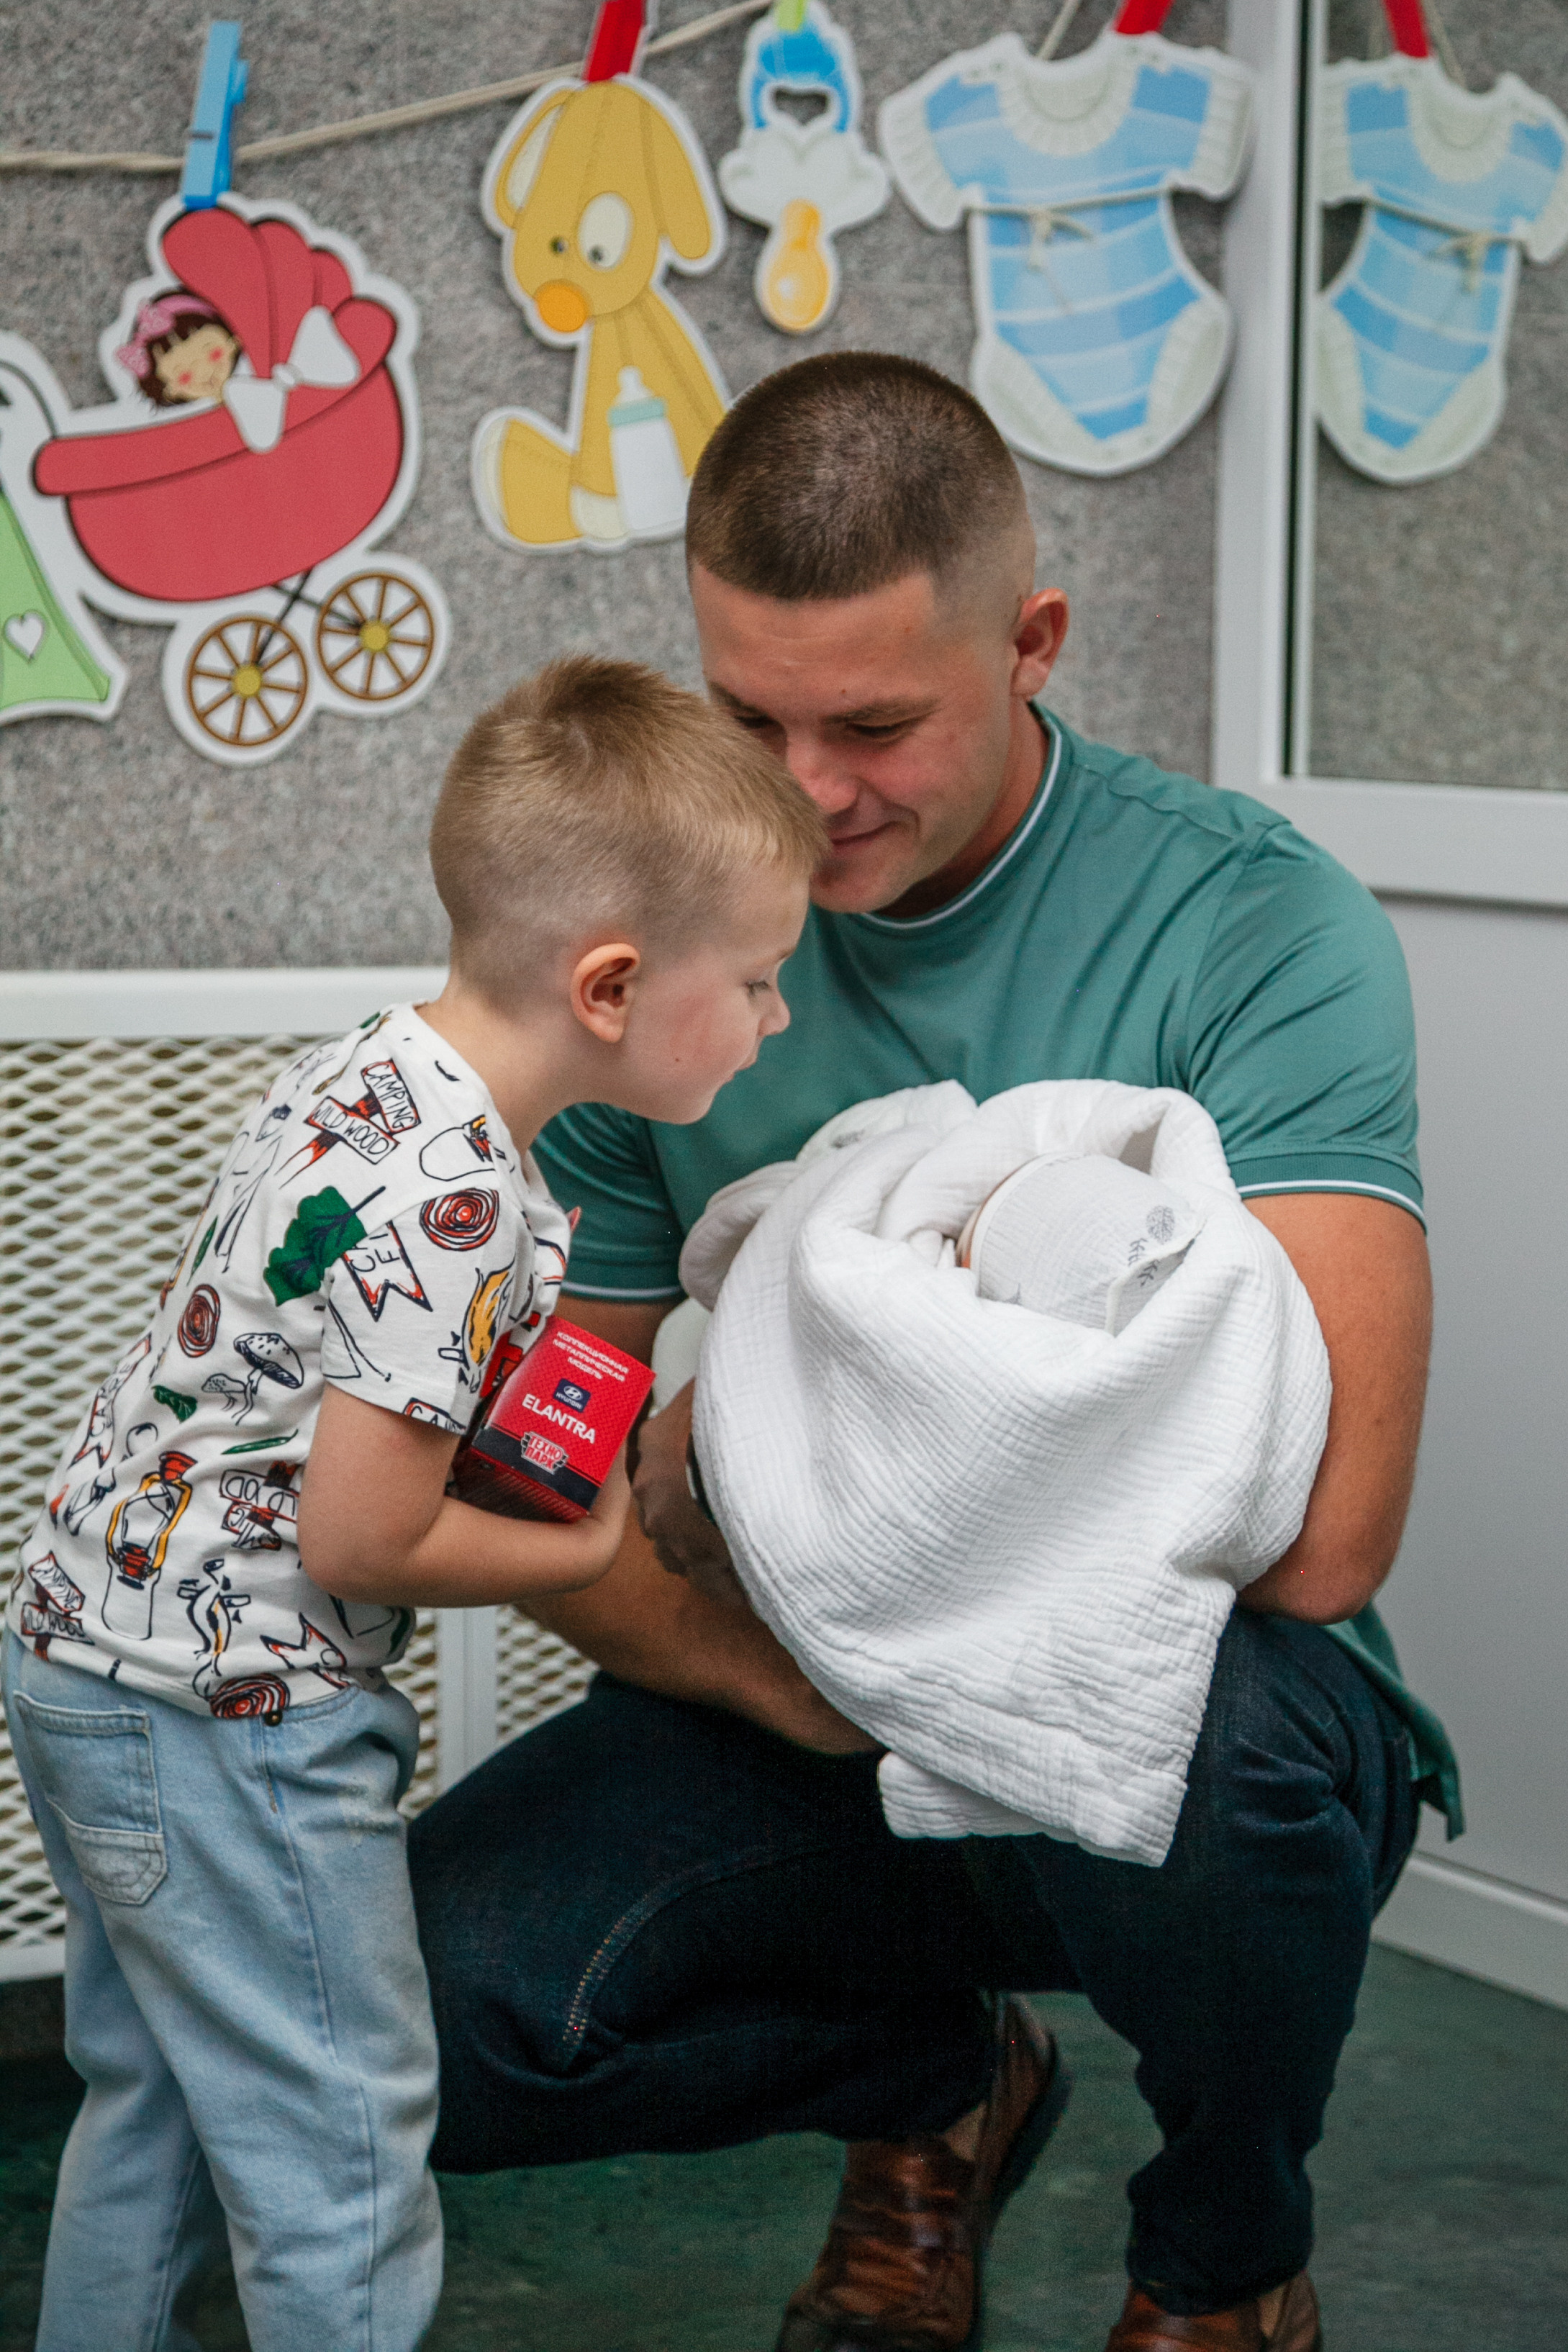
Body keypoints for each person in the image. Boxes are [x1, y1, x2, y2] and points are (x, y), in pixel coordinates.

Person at [408, 356, 1461, 2352]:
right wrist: (766, 1663)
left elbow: (1322, 1543)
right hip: (831, 1689)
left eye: (875, 723)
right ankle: (935, 2091)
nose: (802, 796)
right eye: (746, 717)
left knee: (1230, 1755)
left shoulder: (1254, 923)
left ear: (1030, 642)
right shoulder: (649, 946)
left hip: (1188, 1714)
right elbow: (563, 1469)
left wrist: (802, 1443)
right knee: (417, 2013)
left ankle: (1221, 2263)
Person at [3, 656, 823, 2352]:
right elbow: (361, 1540)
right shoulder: (459, 1198)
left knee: (147, 2104)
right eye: (750, 979)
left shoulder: (370, 1071)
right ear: (610, 982)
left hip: (84, 1652)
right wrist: (588, 1538)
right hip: (234, 1709)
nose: (773, 1017)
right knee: (343, 2152)